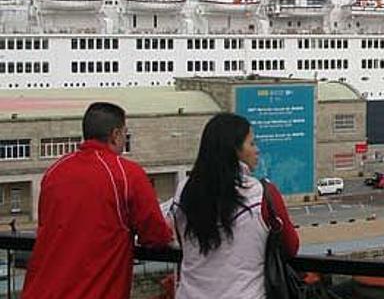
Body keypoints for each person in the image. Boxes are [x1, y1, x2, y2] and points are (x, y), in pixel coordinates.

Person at [22, 102, 172, 299]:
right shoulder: (127, 174)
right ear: (116, 134)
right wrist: (169, 227)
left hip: (40, 291)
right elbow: (155, 235)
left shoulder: (55, 171)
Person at [171, 113, 299, 298]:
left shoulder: (184, 190)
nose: (257, 150)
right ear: (235, 150)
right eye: (252, 143)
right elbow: (291, 246)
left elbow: (183, 242)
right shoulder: (263, 194)